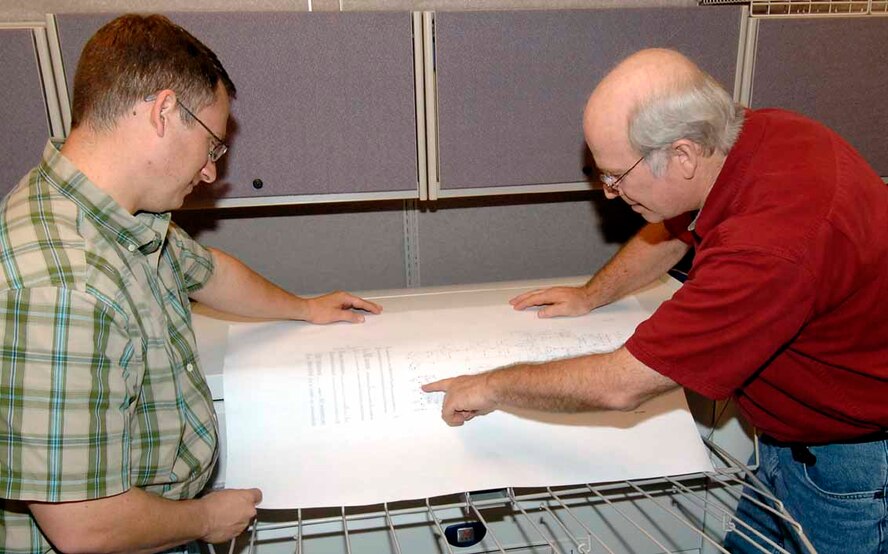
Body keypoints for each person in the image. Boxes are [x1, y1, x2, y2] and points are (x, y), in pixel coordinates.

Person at [423, 48, 887, 553]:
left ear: (683, 154)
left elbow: (622, 384)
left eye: (616, 176)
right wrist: (591, 295)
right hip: (791, 442)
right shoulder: (756, 137)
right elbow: (679, 222)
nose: (609, 193)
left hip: (848, 464)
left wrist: (492, 385)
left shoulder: (770, 246)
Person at [0, 14, 381, 553]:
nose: (209, 172)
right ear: (163, 112)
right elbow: (84, 526)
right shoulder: (60, 287)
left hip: (161, 518)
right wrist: (205, 518)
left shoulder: (118, 214)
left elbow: (209, 272)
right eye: (211, 145)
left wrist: (305, 308)